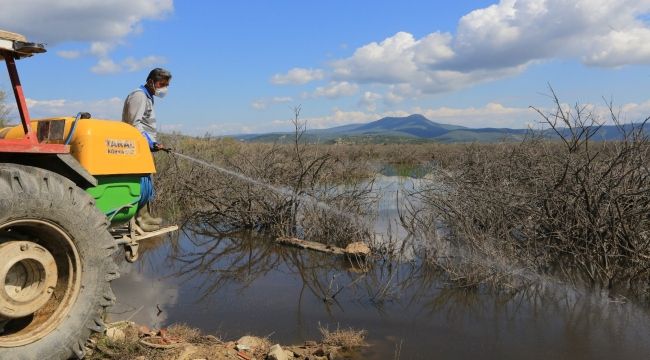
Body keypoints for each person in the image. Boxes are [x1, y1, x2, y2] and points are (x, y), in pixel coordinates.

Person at [122, 68, 172, 232]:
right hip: (137, 146)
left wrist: (153, 143)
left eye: (166, 85)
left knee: (147, 182)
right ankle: (140, 220)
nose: (164, 88)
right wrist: (150, 143)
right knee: (141, 184)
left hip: (144, 146)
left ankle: (146, 216)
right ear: (151, 81)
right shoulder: (139, 96)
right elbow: (134, 124)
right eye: (161, 84)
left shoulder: (148, 97)